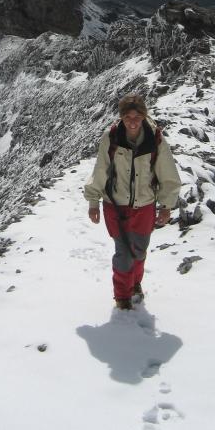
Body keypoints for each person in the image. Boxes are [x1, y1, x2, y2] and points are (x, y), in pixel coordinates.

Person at [84, 94, 181, 310]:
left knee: (139, 250)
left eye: (137, 116)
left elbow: (167, 172)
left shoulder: (154, 138)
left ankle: (135, 283)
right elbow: (100, 169)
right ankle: (122, 296)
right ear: (121, 118)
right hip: (115, 205)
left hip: (144, 206)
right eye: (128, 117)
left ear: (144, 116)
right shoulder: (111, 137)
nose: (133, 121)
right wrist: (93, 201)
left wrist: (166, 205)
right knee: (124, 253)